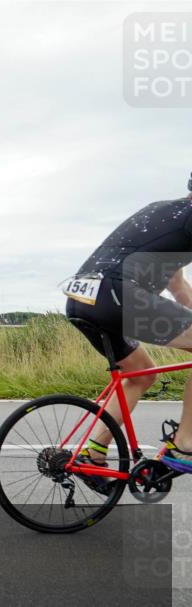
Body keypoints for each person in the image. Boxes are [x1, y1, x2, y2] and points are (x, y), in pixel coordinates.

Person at [64, 173, 192, 483]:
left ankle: (93, 452)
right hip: (116, 294)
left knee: (141, 374)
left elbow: (177, 286)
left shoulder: (165, 212)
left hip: (83, 298)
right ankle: (184, 446)